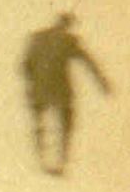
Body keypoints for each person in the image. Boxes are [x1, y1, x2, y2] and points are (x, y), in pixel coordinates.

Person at [21, 12, 111, 176]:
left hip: (38, 89)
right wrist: (102, 81)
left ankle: (41, 159)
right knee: (66, 125)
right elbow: (88, 61)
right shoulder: (69, 40)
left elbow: (24, 65)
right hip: (60, 89)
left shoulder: (36, 37)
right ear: (67, 25)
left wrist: (31, 84)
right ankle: (61, 162)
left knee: (39, 124)